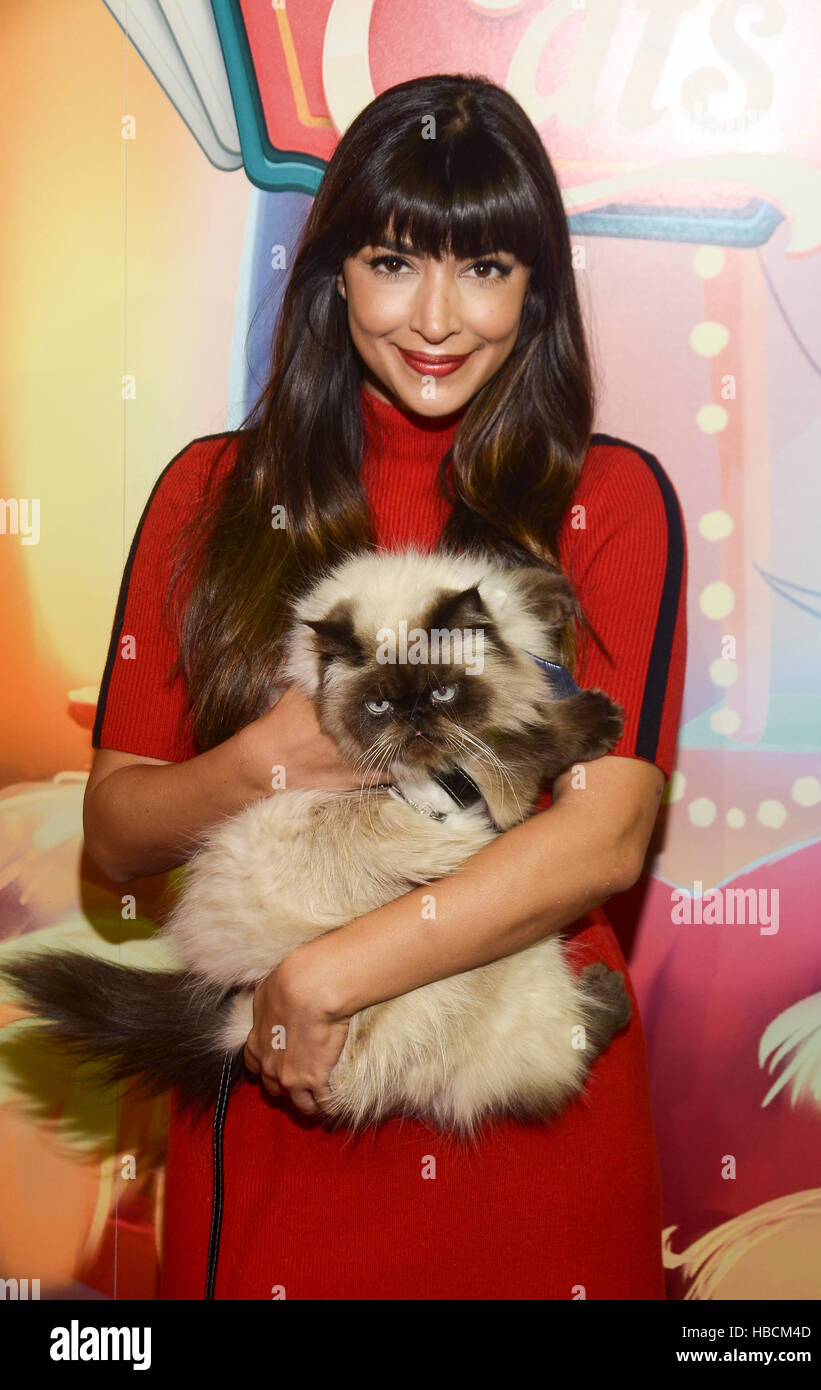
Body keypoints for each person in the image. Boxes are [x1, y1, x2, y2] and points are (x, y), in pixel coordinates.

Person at [87, 73, 687, 1300]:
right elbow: (115, 831)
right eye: (395, 258)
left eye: (485, 270)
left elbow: (607, 832)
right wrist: (276, 759)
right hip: (279, 1127)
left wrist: (332, 971)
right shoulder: (211, 497)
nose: (436, 315)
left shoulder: (608, 499)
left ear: (537, 292)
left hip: (525, 1124)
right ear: (334, 274)